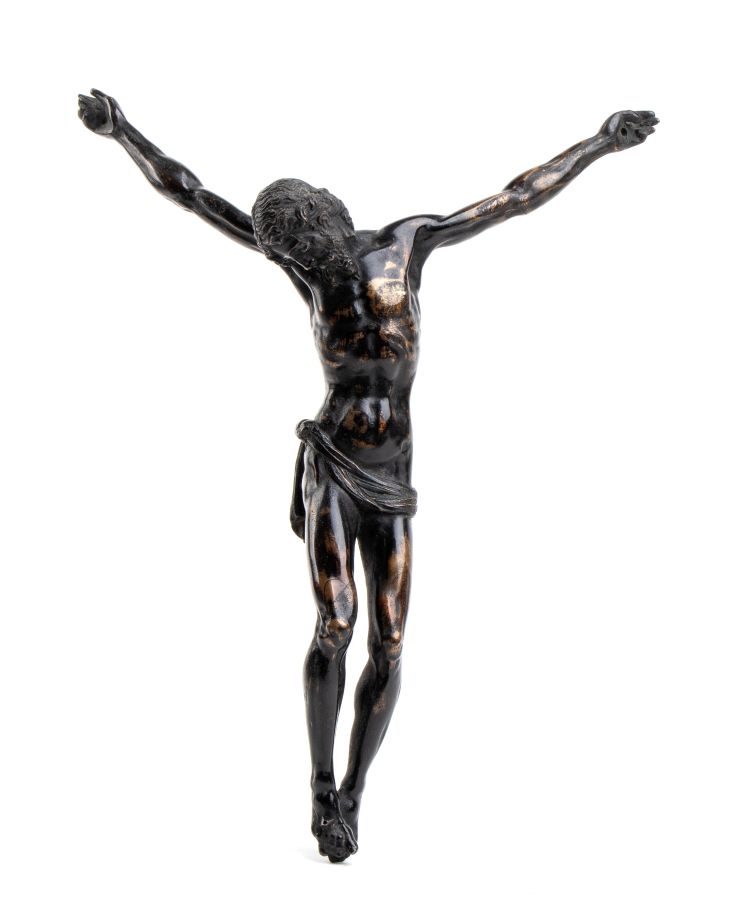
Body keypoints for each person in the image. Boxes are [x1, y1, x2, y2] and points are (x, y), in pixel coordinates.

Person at [78, 90, 658, 861]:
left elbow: (517, 197)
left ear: (325, 223)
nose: (296, 263)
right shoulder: (307, 276)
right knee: (336, 623)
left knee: (390, 641)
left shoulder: (406, 244)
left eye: (301, 248)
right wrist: (123, 132)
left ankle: (352, 792)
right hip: (334, 464)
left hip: (394, 479)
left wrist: (601, 142)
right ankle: (320, 784)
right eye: (287, 255)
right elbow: (193, 195)